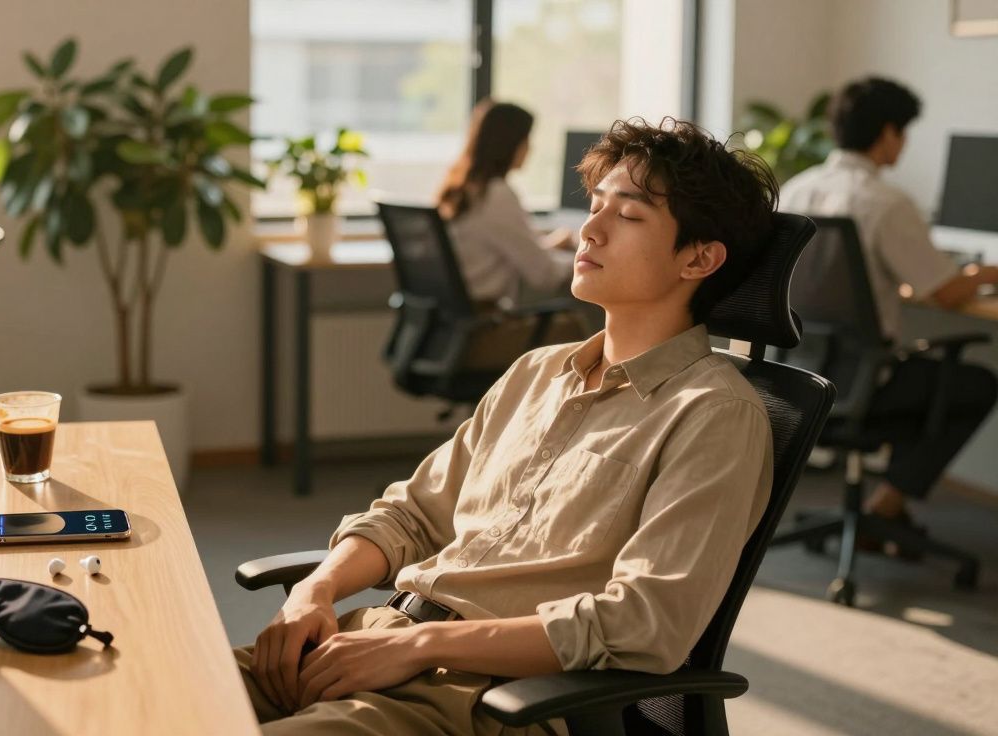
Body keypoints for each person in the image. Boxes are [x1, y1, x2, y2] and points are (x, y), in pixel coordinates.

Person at [236, 117, 779, 735]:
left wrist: (421, 647)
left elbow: (644, 622)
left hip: (480, 697)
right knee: (156, 690)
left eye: (628, 216)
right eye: (595, 207)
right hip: (376, 638)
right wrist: (316, 589)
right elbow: (412, 516)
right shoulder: (536, 372)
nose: (590, 230)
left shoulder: (713, 415)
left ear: (699, 258)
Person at [779, 76, 998, 540]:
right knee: (976, 383)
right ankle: (886, 505)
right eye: (904, 133)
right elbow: (946, 293)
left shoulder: (797, 189)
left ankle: (886, 512)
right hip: (866, 381)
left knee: (930, 379)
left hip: (802, 371)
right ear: (887, 133)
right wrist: (988, 273)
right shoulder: (886, 203)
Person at [434, 100, 591, 370]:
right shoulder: (497, 195)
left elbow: (496, 252)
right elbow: (544, 276)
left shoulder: (464, 188)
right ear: (510, 144)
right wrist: (588, 258)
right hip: (482, 332)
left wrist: (548, 248)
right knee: (577, 328)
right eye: (527, 140)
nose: (530, 148)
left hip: (450, 332)